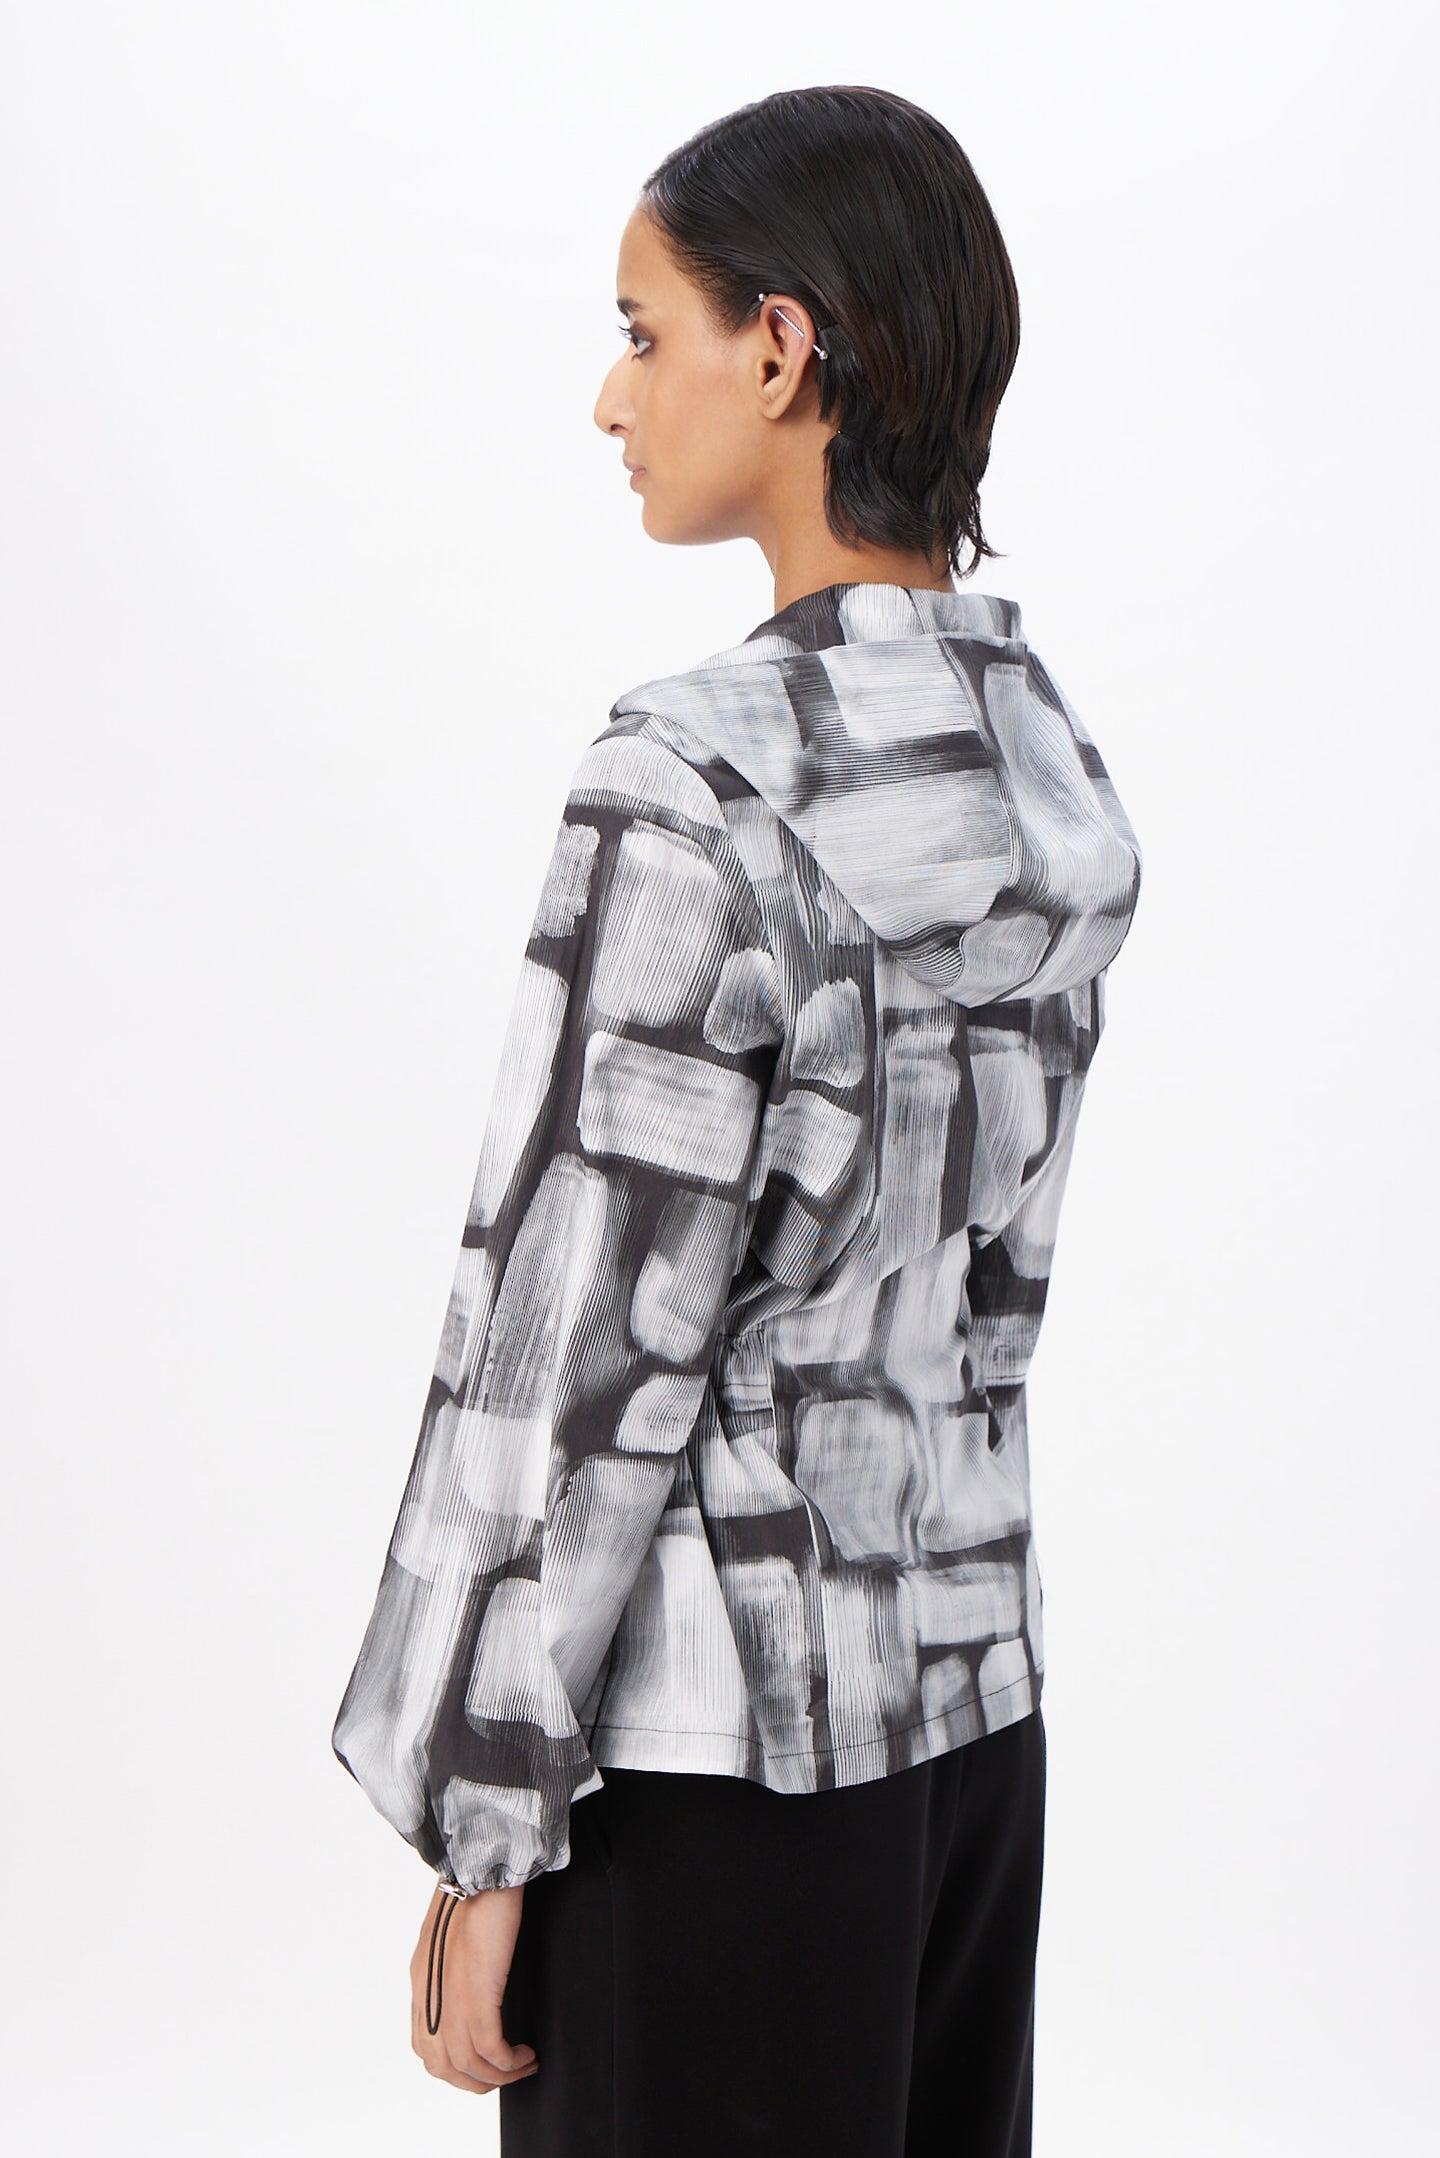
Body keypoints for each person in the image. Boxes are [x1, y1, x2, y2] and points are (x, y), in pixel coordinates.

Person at [331, 83, 1143, 2157]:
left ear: (780, 348)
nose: (613, 398)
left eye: (642, 330)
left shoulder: (691, 787)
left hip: (703, 1776)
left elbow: (568, 1353)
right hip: (969, 1732)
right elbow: (992, 1303)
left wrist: (484, 1821)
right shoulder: (1046, 776)